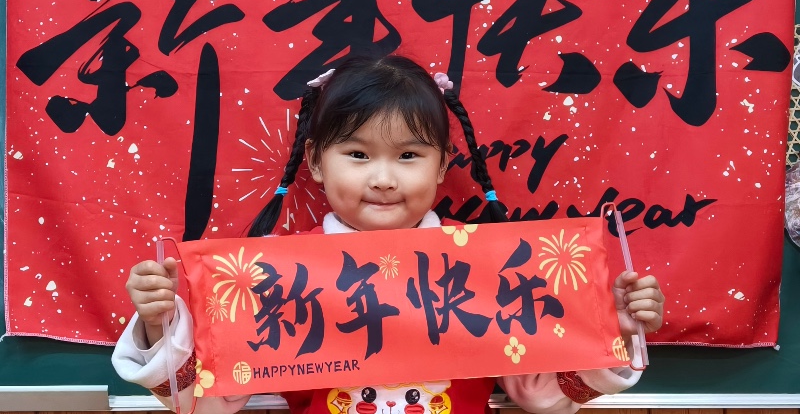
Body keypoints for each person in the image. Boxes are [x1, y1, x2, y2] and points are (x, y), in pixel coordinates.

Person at [113, 55, 665, 414]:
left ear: (443, 163)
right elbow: (206, 402)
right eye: (357, 154)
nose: (382, 178)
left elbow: (541, 396)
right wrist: (161, 322)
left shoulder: (489, 264)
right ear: (316, 161)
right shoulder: (270, 273)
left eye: (408, 156)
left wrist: (613, 327)